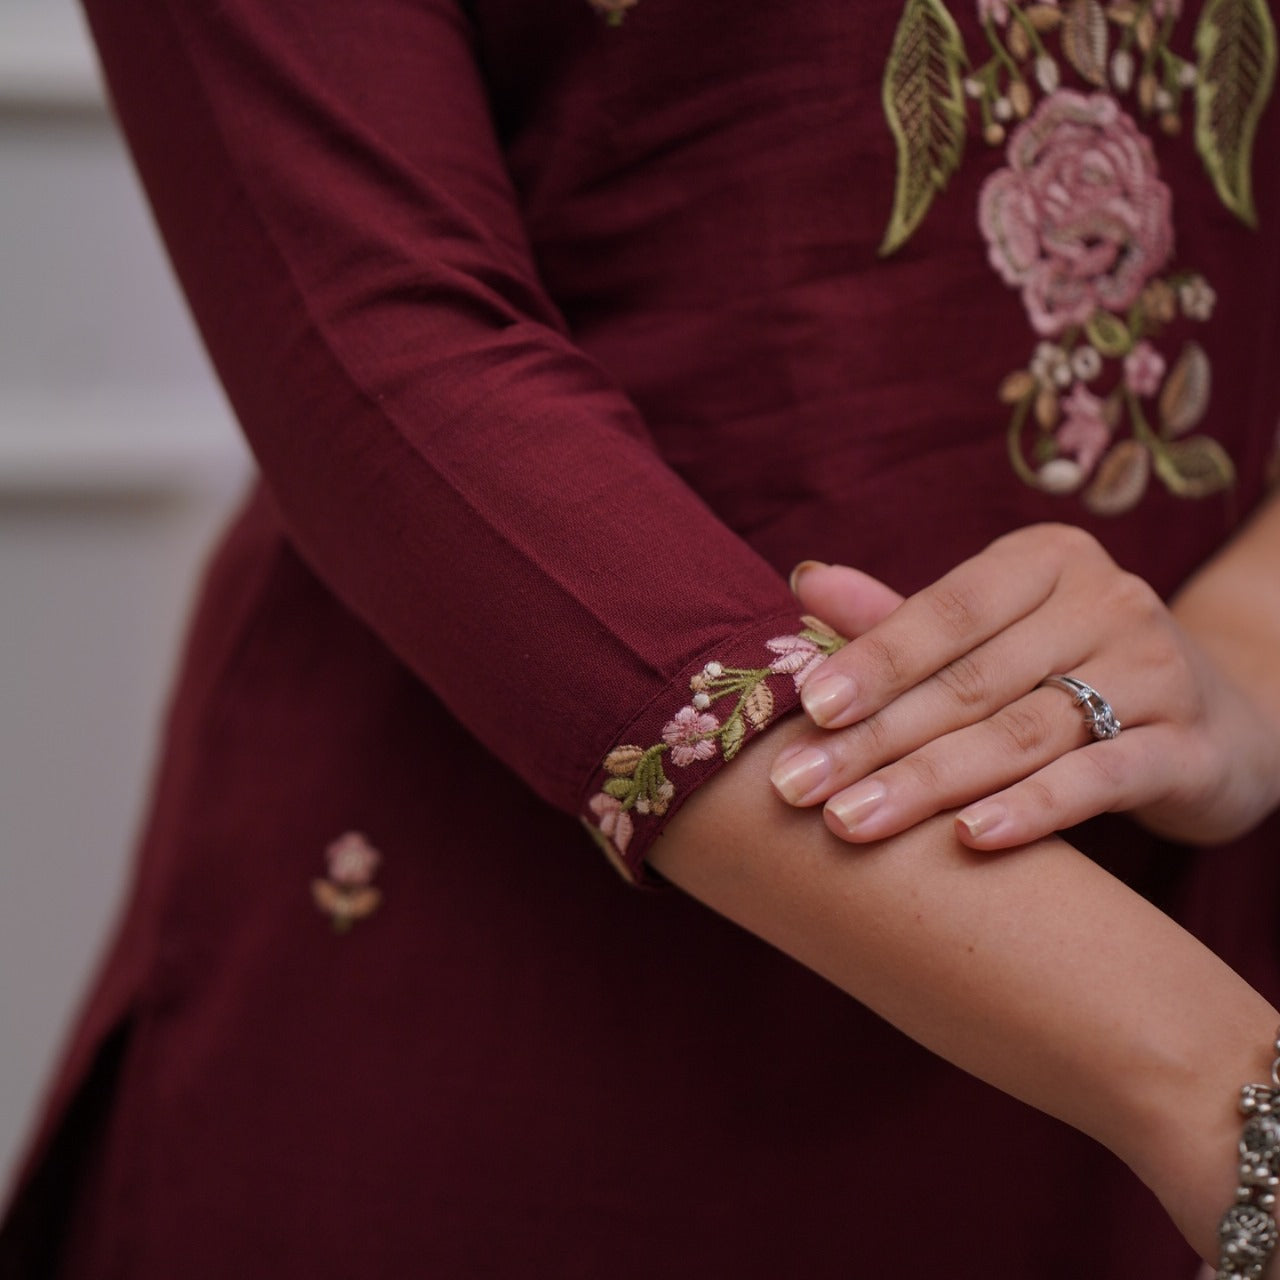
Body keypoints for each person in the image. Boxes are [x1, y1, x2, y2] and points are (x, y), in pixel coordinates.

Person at [2, 0, 1278, 1274]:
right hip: (522, 972)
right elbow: (379, 333)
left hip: (1181, 894)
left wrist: (1236, 658)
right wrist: (1215, 1085)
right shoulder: (1225, 1082)